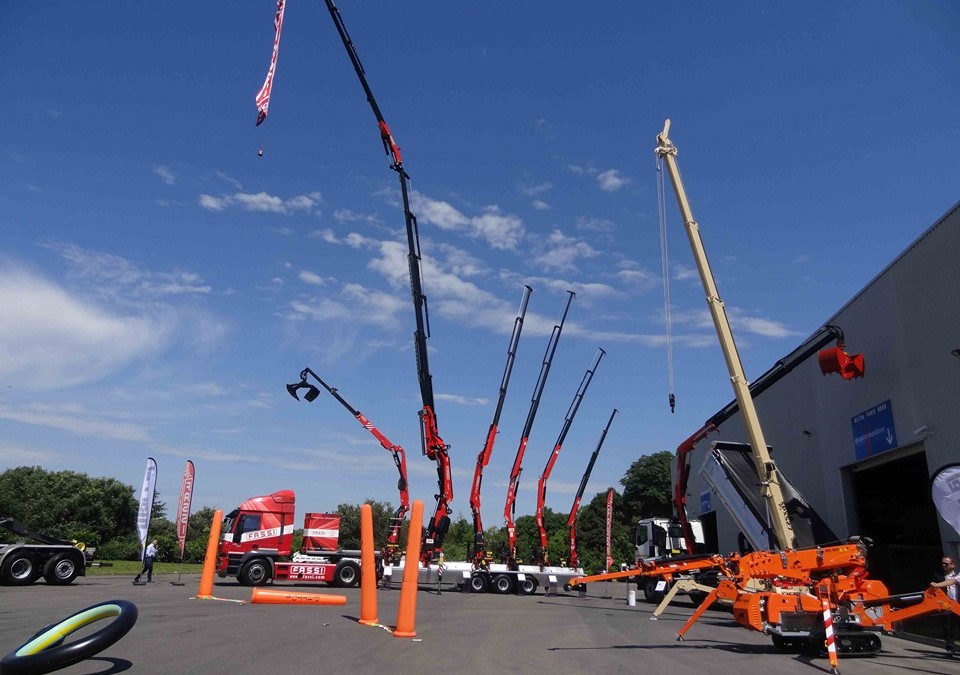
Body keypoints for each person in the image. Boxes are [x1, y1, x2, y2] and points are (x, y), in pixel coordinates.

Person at [931, 556, 960, 656]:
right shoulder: (938, 577)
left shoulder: (957, 575)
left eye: (946, 564)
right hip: (945, 606)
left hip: (957, 605)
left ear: (953, 565)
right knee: (947, 629)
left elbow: (954, 581)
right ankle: (950, 649)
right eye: (943, 563)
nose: (944, 565)